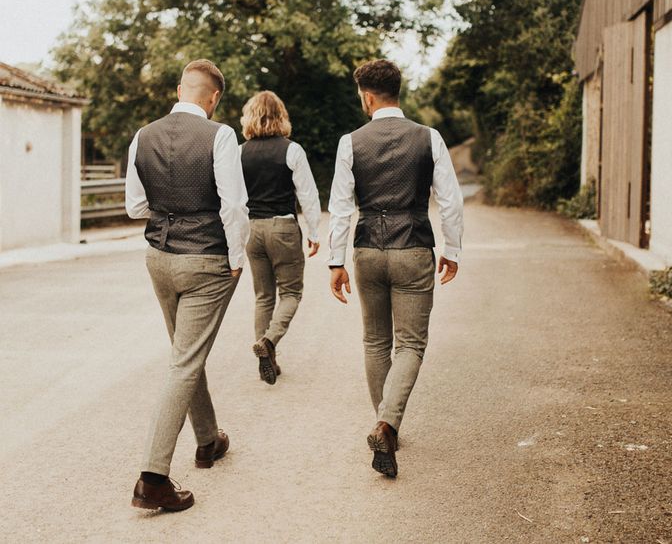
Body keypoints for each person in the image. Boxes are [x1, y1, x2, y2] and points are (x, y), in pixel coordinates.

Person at [327, 58, 464, 478]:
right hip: (413, 248)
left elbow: (341, 208)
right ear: (396, 92)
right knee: (410, 345)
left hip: (368, 249)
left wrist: (336, 261)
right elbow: (451, 201)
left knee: (374, 342)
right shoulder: (429, 138)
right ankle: (387, 423)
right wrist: (452, 249)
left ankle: (385, 423)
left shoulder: (350, 142)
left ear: (367, 96)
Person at [125, 59, 250, 511]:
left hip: (158, 257)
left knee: (185, 351)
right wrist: (236, 260)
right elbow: (234, 206)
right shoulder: (220, 136)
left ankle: (207, 441)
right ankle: (153, 477)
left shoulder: (143, 135)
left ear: (180, 90)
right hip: (205, 260)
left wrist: (168, 209)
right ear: (214, 97)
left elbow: (136, 205)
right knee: (184, 362)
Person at [240, 91, 321, 384]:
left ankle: (268, 361)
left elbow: (233, 198)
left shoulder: (239, 152)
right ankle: (270, 341)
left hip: (252, 229)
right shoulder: (291, 150)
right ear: (281, 117)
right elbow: (307, 195)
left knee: (263, 296)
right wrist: (313, 232)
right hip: (283, 228)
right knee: (291, 293)